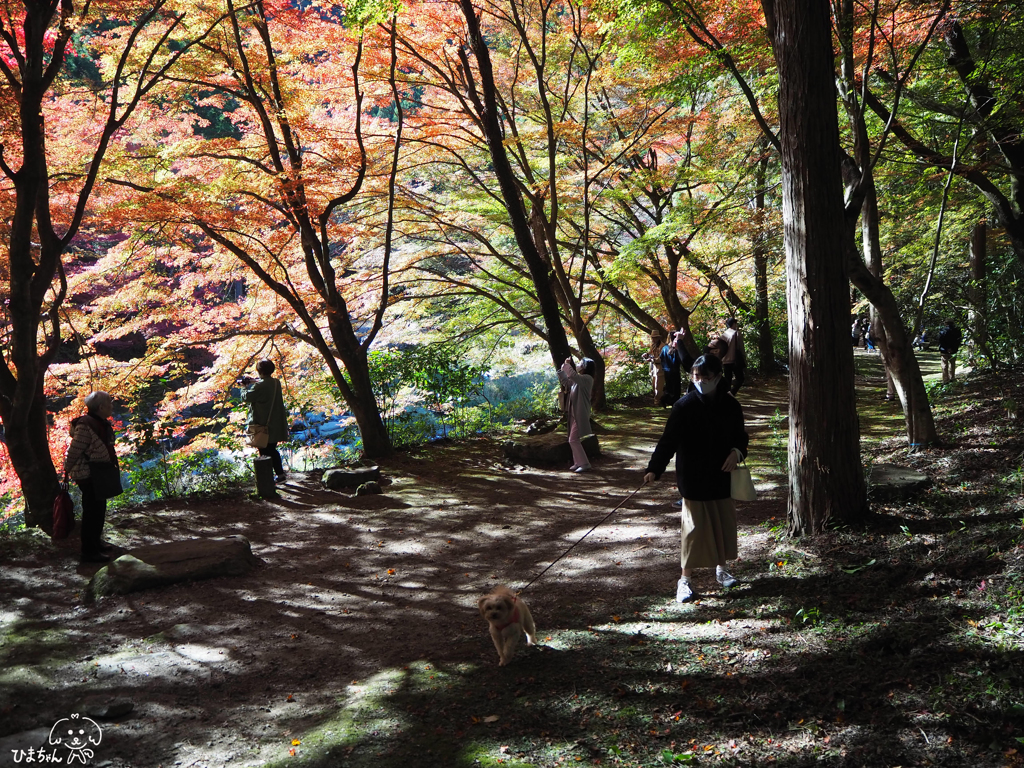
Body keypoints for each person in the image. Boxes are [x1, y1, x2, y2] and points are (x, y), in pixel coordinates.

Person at [644, 354, 749, 603]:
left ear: (718, 377)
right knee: (692, 532)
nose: (700, 381)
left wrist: (736, 453)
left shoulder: (731, 405)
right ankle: (685, 581)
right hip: (694, 479)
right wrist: (654, 468)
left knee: (722, 526)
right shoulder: (684, 406)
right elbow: (668, 441)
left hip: (723, 478)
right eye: (695, 376)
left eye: (705, 376)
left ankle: (722, 571)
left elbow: (741, 437)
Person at [64, 391, 119, 563]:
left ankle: (96, 542)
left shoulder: (99, 422)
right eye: (109, 403)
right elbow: (75, 449)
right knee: (91, 512)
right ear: (100, 407)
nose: (112, 406)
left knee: (99, 509)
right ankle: (88, 551)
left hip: (100, 473)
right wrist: (66, 470)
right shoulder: (86, 425)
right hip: (89, 474)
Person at [245, 359, 290, 483]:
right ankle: (279, 475)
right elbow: (265, 388)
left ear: (259, 371)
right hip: (275, 423)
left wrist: (244, 387)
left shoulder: (259, 386)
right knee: (271, 449)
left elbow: (247, 397)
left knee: (265, 451)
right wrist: (256, 381)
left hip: (263, 423)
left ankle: (268, 479)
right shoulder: (276, 382)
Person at [557, 357, 595, 473]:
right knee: (572, 439)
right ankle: (578, 462)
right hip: (574, 413)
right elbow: (567, 382)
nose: (578, 365)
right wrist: (562, 370)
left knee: (573, 439)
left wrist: (567, 364)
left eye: (580, 363)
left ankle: (584, 463)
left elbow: (573, 376)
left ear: (585, 367)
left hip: (580, 413)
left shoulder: (587, 379)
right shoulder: (579, 380)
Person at [719, 317, 746, 396]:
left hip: (725, 361)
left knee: (728, 380)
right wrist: (744, 358)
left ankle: (726, 397)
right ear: (734, 324)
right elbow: (741, 348)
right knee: (740, 379)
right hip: (735, 360)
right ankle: (732, 393)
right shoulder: (737, 333)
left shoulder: (723, 335)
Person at [642, 331, 665, 405]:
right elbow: (651, 353)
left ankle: (658, 401)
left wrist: (653, 359)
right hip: (653, 368)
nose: (653, 339)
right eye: (652, 338)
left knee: (659, 387)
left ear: (658, 338)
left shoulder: (663, 346)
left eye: (655, 338)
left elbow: (662, 358)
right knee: (654, 385)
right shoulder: (653, 345)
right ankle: (657, 401)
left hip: (660, 369)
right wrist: (647, 354)